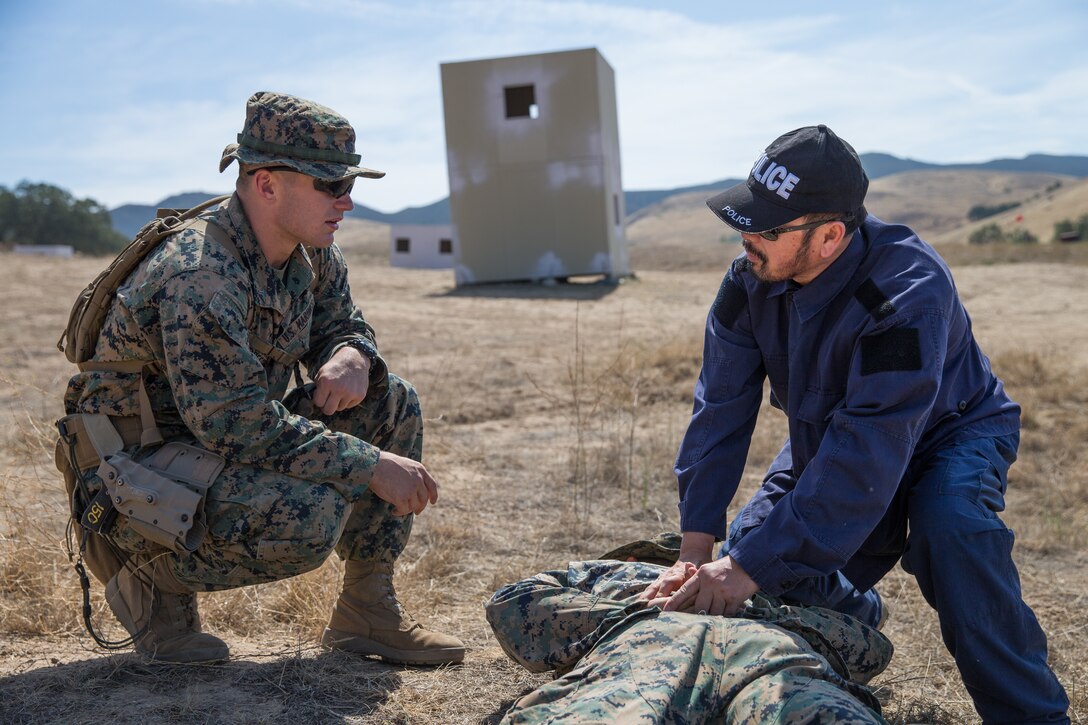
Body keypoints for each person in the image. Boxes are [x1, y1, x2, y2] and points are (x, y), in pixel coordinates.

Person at [640, 125, 1069, 723]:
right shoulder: (749, 282)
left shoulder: (905, 293)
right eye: (745, 220)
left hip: (949, 434)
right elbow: (720, 409)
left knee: (952, 533)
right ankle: (853, 609)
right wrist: (696, 547)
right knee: (751, 550)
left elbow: (870, 448)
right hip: (832, 433)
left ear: (830, 236)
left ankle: (1032, 715)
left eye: (766, 228)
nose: (746, 240)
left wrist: (742, 570)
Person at [55, 91, 464, 666]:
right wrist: (369, 464)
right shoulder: (200, 275)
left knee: (390, 401)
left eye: (350, 185)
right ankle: (149, 578)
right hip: (139, 471)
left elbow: (342, 322)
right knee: (310, 518)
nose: (346, 202)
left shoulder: (312, 252)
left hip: (217, 444)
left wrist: (351, 352)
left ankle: (367, 611)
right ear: (267, 184)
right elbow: (238, 425)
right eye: (330, 186)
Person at [487, 534, 893, 723]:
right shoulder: (615, 575)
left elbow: (872, 648)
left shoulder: (756, 582)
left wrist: (757, 608)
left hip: (770, 661)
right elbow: (510, 605)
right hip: (647, 656)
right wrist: (636, 608)